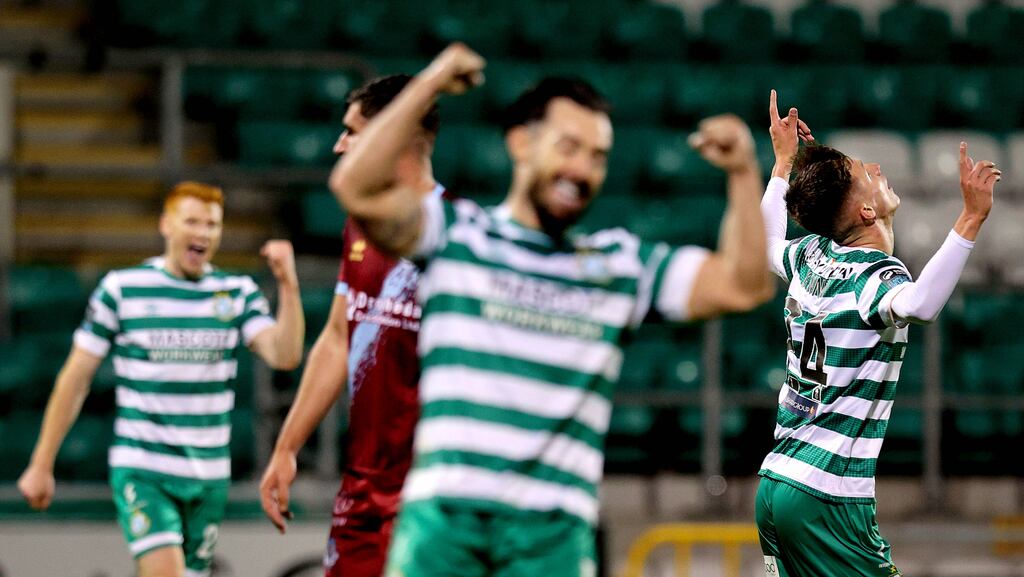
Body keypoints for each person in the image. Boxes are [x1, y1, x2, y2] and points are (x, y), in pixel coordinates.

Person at [330, 43, 775, 577]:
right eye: (568, 147)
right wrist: (428, 83)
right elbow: (354, 186)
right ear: (521, 143)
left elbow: (744, 286)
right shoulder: (455, 233)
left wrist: (744, 172)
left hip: (552, 535)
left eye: (597, 156)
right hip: (444, 520)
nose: (581, 169)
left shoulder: (620, 265)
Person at [756, 90, 1000, 577]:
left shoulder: (808, 256)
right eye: (868, 174)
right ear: (867, 212)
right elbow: (921, 305)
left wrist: (783, 161)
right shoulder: (877, 275)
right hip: (828, 497)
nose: (878, 170)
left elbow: (767, 242)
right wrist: (969, 219)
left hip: (774, 481)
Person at [17, 181, 305, 577]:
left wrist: (288, 285)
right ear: (166, 225)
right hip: (144, 468)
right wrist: (41, 462)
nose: (203, 233)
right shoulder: (123, 289)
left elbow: (284, 354)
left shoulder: (236, 292)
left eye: (212, 224)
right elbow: (75, 377)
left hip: (208, 474)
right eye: (192, 221)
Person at [258, 74, 443, 577]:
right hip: (363, 491)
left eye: (353, 132)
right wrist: (287, 447)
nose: (339, 144)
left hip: (433, 494)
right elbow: (339, 338)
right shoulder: (361, 224)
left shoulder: (459, 235)